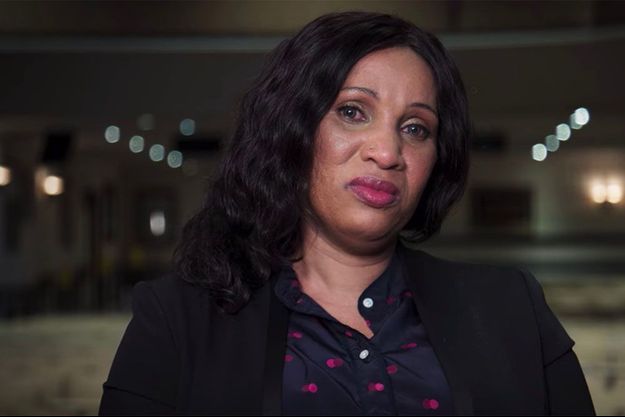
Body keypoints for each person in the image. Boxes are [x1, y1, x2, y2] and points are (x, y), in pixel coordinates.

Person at [99, 11, 595, 416]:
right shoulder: (175, 320)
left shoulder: (512, 308)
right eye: (353, 112)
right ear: (291, 130)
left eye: (416, 128)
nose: (388, 152)